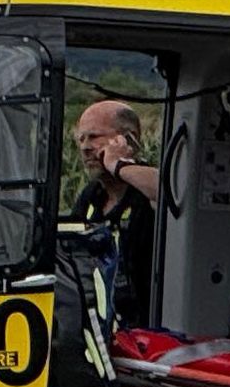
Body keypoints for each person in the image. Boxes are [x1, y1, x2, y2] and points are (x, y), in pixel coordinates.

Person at [66, 93, 162, 328]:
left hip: (148, 327)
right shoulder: (91, 198)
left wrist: (118, 165)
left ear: (128, 139)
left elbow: (170, 192)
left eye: (95, 137)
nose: (86, 147)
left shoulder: (145, 187)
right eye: (82, 139)